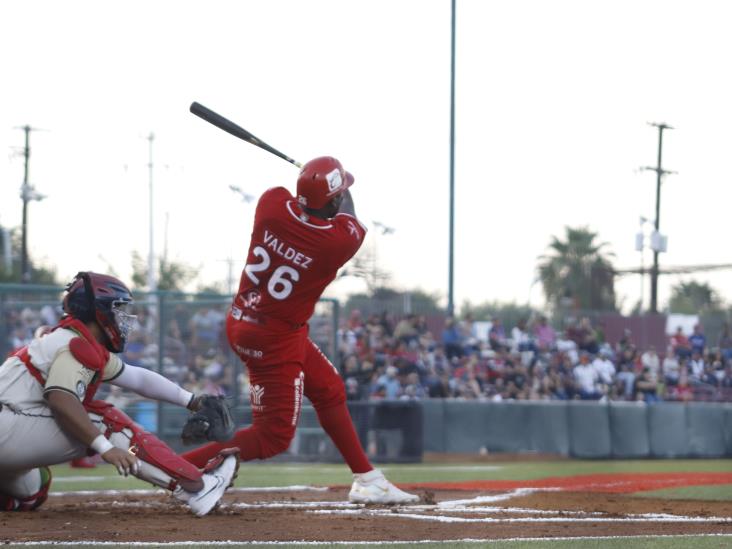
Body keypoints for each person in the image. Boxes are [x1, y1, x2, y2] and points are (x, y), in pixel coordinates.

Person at [180, 156, 418, 504]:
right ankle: (175, 468)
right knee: (272, 437)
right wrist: (330, 184)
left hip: (246, 320)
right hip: (275, 336)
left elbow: (299, 198)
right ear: (333, 199)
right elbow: (347, 211)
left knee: (328, 388)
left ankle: (367, 478)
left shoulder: (270, 205)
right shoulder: (336, 242)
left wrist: (311, 181)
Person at [0, 272, 238, 515]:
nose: (124, 317)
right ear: (100, 310)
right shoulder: (75, 344)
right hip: (7, 427)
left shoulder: (75, 340)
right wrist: (105, 447)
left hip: (10, 428)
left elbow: (137, 378)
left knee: (34, 489)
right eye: (119, 308)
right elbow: (61, 400)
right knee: (106, 420)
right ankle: (195, 487)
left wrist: (191, 400)